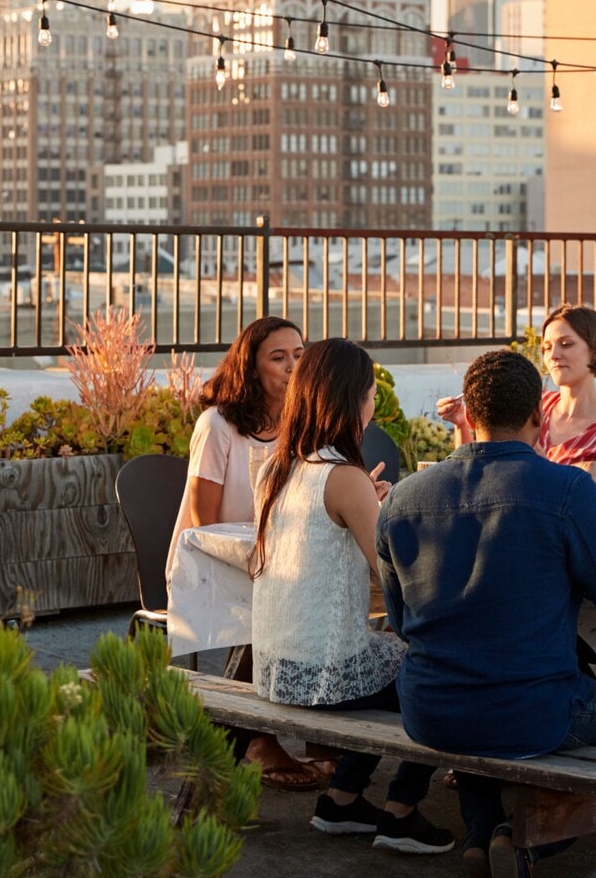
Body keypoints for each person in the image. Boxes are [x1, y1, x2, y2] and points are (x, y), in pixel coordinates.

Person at [382, 349, 596, 870]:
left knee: (481, 699)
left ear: (471, 415)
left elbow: (399, 619)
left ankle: (480, 836)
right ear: (537, 415)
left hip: (428, 710)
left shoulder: (403, 497)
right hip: (532, 714)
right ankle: (525, 836)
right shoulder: (568, 489)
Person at [249, 338, 455, 856]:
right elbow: (403, 579)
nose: (373, 407)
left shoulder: (277, 467)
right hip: (324, 676)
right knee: (450, 676)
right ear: (352, 400)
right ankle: (402, 811)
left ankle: (342, 799)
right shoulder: (344, 477)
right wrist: (380, 510)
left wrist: (370, 503)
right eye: (369, 395)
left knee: (399, 656)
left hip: (275, 669)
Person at [171, 315, 321, 791]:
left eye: (299, 355)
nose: (293, 366)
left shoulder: (304, 420)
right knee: (285, 602)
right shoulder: (218, 424)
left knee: (332, 596)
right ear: (251, 368)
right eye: (279, 358)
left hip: (281, 559)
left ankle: (323, 734)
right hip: (214, 563)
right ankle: (256, 737)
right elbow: (203, 523)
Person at [437, 304, 596, 526]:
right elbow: (476, 471)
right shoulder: (536, 402)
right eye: (547, 348)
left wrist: (542, 463)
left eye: (566, 344)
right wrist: (462, 424)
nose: (554, 355)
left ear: (595, 350)